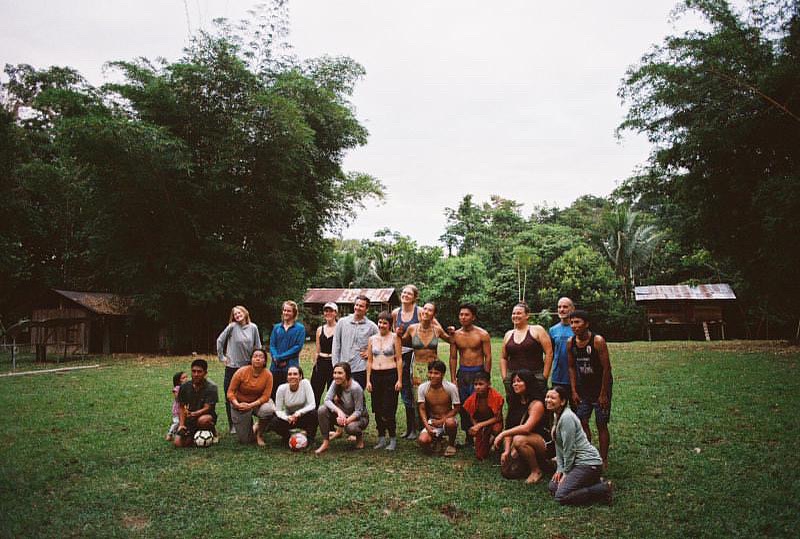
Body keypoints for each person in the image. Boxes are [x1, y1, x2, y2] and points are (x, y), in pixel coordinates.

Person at [546, 386, 613, 505]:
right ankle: (594, 482)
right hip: (575, 464)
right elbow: (559, 447)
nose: (548, 400)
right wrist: (560, 469)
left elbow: (569, 449)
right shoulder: (557, 415)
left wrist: (565, 473)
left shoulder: (567, 418)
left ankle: (602, 489)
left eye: (552, 398)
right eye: (547, 397)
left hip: (588, 464)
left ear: (562, 401)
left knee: (560, 496)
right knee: (553, 486)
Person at [567, 310, 613, 469]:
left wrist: (603, 394)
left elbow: (607, 369)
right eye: (572, 322)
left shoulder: (597, 341)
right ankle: (589, 453)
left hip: (599, 387)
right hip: (583, 389)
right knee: (581, 421)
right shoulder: (570, 342)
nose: (574, 326)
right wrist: (573, 390)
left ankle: (604, 458)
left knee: (601, 423)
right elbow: (572, 367)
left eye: (577, 322)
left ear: (586, 323)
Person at [492, 369, 553, 484]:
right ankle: (534, 463)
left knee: (519, 440)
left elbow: (526, 428)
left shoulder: (537, 404)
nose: (515, 384)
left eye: (519, 381)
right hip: (523, 439)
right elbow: (509, 427)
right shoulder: (515, 402)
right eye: (514, 381)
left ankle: (536, 470)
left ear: (528, 382)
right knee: (508, 470)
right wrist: (506, 451)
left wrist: (502, 434)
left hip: (542, 441)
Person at [449, 303, 492, 446]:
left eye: (466, 314)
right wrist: (453, 377)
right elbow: (453, 357)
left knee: (477, 403)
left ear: (473, 317)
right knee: (463, 404)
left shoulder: (482, 334)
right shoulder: (455, 335)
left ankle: (481, 432)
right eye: (461, 314)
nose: (463, 317)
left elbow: (488, 356)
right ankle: (468, 434)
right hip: (463, 372)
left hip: (478, 371)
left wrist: (486, 376)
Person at [216, 305, 261, 433]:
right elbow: (219, 341)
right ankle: (233, 425)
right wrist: (222, 357)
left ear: (245, 313)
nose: (237, 315)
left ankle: (250, 423)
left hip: (247, 367)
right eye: (235, 314)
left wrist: (258, 362)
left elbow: (257, 346)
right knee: (230, 396)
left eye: (239, 312)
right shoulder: (231, 327)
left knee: (247, 395)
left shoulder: (253, 328)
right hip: (232, 368)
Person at [366, 311, 403, 450]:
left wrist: (399, 380)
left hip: (390, 375)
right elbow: (369, 361)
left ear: (390, 324)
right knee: (377, 408)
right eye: (380, 322)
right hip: (375, 375)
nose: (382, 325)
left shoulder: (395, 338)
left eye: (385, 323)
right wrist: (368, 380)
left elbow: (399, 359)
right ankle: (381, 438)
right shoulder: (372, 339)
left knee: (389, 408)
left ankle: (392, 438)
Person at [315, 362, 369, 454]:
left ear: (347, 374)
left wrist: (346, 421)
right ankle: (325, 442)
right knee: (322, 410)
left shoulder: (355, 388)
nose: (336, 376)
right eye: (335, 373)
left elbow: (358, 411)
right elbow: (327, 400)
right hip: (343, 415)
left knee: (350, 428)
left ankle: (359, 436)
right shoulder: (335, 383)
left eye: (340, 373)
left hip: (359, 418)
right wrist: (339, 412)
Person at [501, 302, 553, 398]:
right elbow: (503, 357)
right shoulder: (508, 334)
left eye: (519, 313)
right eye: (513, 313)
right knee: (515, 406)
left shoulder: (537, 330)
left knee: (537, 404)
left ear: (527, 315)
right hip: (513, 378)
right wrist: (505, 377)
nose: (515, 316)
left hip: (535, 375)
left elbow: (549, 353)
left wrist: (544, 376)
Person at [226, 348, 276, 446]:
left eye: (261, 357)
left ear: (265, 361)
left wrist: (251, 405)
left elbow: (266, 396)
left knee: (268, 410)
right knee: (246, 440)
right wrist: (237, 404)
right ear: (251, 359)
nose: (257, 359)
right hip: (240, 405)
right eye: (255, 356)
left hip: (258, 404)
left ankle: (259, 434)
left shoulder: (268, 375)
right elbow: (230, 392)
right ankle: (254, 427)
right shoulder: (241, 372)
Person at [392, 285, 421, 439]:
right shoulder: (396, 313)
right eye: (403, 292)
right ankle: (410, 428)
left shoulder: (420, 311)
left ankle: (419, 427)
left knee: (417, 390)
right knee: (405, 391)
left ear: (415, 297)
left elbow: (432, 328)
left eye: (409, 294)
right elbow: (393, 335)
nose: (405, 295)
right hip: (400, 355)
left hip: (417, 355)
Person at [331, 295, 378, 391]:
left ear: (367, 309)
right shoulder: (342, 322)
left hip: (360, 368)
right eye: (356, 305)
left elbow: (381, 343)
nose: (358, 308)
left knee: (358, 395)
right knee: (341, 397)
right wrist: (336, 366)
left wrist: (370, 353)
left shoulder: (372, 326)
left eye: (361, 306)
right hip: (343, 367)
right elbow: (336, 345)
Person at [417, 360, 460, 457]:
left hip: (446, 420)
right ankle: (437, 440)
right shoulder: (423, 388)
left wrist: (442, 420)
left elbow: (457, 408)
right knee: (422, 441)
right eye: (430, 372)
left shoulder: (451, 387)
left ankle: (451, 444)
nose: (432, 376)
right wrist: (427, 426)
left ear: (443, 374)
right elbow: (422, 409)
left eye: (436, 373)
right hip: (432, 421)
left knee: (450, 423)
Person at [174, 359, 219, 448]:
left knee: (203, 421)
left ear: (205, 373)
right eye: (193, 371)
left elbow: (208, 407)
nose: (196, 374)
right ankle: (193, 433)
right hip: (190, 418)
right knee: (178, 443)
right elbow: (181, 406)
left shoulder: (212, 387)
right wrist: (182, 425)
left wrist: (195, 413)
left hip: (205, 415)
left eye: (199, 372)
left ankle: (213, 431)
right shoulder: (184, 387)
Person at [268, 366, 318, 444]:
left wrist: (298, 413)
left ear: (300, 376)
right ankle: (288, 437)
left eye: (295, 374)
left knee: (314, 414)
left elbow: (312, 404)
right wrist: (287, 417)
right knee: (274, 422)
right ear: (287, 377)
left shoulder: (305, 383)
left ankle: (310, 438)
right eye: (290, 374)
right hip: (290, 418)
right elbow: (278, 410)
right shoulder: (282, 388)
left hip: (303, 416)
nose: (292, 376)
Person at [461, 371, 504, 460]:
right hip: (480, 423)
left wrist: (479, 425)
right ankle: (483, 441)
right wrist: (475, 426)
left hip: (493, 422)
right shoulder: (472, 399)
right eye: (475, 384)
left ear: (488, 384)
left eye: (481, 384)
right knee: (480, 455)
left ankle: (495, 440)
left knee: (496, 428)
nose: (478, 387)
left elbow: (498, 417)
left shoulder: (496, 397)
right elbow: (471, 415)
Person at [268, 300, 306, 400]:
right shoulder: (276, 328)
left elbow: (297, 347)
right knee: (273, 395)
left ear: (294, 313)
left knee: (292, 396)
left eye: (288, 311)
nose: (285, 313)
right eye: (284, 310)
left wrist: (280, 357)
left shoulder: (300, 328)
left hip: (291, 367)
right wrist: (276, 358)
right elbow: (272, 345)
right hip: (275, 367)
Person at [311, 302, 338, 405]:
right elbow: (317, 350)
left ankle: (330, 417)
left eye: (331, 311)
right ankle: (313, 416)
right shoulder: (320, 329)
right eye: (326, 311)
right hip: (321, 363)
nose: (328, 313)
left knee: (332, 393)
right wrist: (315, 365)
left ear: (335, 313)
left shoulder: (339, 328)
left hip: (333, 363)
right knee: (315, 392)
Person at [549, 297, 575, 392]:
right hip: (558, 377)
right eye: (559, 307)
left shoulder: (578, 329)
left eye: (565, 307)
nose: (561, 310)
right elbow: (550, 354)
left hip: (576, 378)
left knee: (576, 406)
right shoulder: (552, 330)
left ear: (572, 309)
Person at [165, 371, 188, 441]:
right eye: (183, 378)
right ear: (178, 381)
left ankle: (179, 434)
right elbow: (178, 398)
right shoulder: (177, 388)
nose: (186, 379)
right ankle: (170, 434)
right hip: (177, 410)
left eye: (187, 377)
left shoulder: (187, 387)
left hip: (185, 409)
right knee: (177, 422)